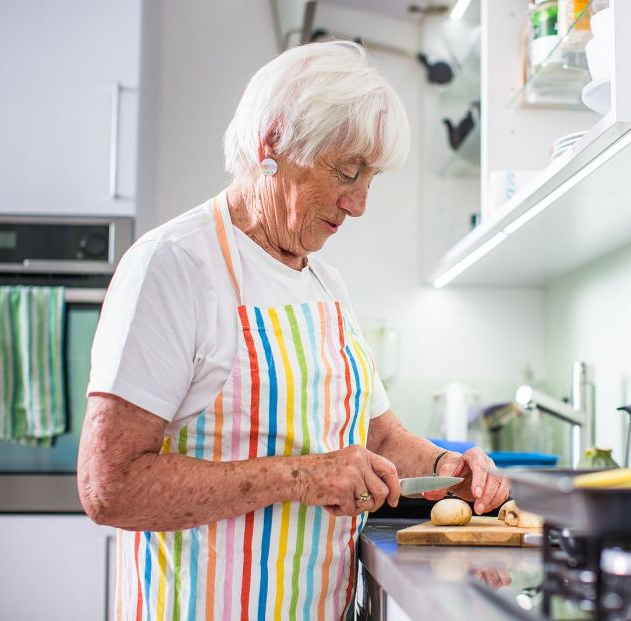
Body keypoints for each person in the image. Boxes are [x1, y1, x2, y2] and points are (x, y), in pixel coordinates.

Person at [77, 41, 509, 621]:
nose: (358, 204)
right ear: (273, 142)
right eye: (348, 172)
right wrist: (304, 477)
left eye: (370, 178)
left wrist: (449, 470)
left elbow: (380, 441)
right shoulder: (174, 264)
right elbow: (110, 485)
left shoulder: (326, 283)